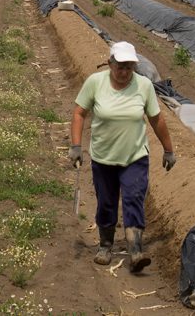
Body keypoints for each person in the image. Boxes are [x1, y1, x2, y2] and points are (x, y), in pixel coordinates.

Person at [69, 41, 175, 273]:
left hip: (134, 156)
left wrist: (168, 149)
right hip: (103, 157)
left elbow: (157, 119)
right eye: (120, 67)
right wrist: (76, 145)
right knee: (106, 202)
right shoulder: (95, 83)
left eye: (129, 67)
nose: (125, 72)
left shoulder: (144, 86)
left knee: (134, 198)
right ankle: (105, 245)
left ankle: (135, 250)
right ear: (110, 64)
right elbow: (79, 112)